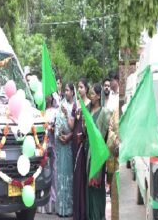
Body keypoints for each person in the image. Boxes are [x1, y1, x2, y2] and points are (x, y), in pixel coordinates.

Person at [86, 83, 111, 220]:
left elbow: (107, 134)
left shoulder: (104, 113)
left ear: (98, 96)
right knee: (89, 185)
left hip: (98, 153)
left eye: (93, 94)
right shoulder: (89, 112)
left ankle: (98, 215)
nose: (91, 96)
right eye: (90, 94)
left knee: (97, 184)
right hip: (88, 151)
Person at [55, 83, 75, 217]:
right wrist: (59, 134)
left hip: (70, 146)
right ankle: (60, 208)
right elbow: (57, 122)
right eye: (65, 90)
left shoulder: (75, 106)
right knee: (60, 175)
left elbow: (75, 127)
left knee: (69, 175)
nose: (66, 93)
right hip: (61, 145)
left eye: (68, 90)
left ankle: (68, 208)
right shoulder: (60, 106)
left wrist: (69, 136)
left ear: (73, 92)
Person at [71, 78, 90, 220]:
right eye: (78, 87)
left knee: (83, 175)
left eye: (82, 87)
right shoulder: (76, 104)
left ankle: (84, 212)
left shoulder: (89, 104)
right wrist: (68, 115)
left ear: (87, 89)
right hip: (74, 142)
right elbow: (72, 125)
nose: (79, 89)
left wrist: (84, 136)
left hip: (84, 143)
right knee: (76, 176)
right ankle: (76, 212)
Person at [38, 96, 58, 214]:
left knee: (53, 172)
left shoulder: (56, 111)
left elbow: (58, 128)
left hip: (52, 147)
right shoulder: (40, 111)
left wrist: (52, 128)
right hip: (42, 146)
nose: (47, 97)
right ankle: (42, 203)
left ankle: (53, 202)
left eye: (49, 95)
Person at [106, 107, 120, 220]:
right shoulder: (115, 112)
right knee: (115, 196)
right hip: (116, 161)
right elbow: (110, 129)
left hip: (127, 161)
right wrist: (116, 141)